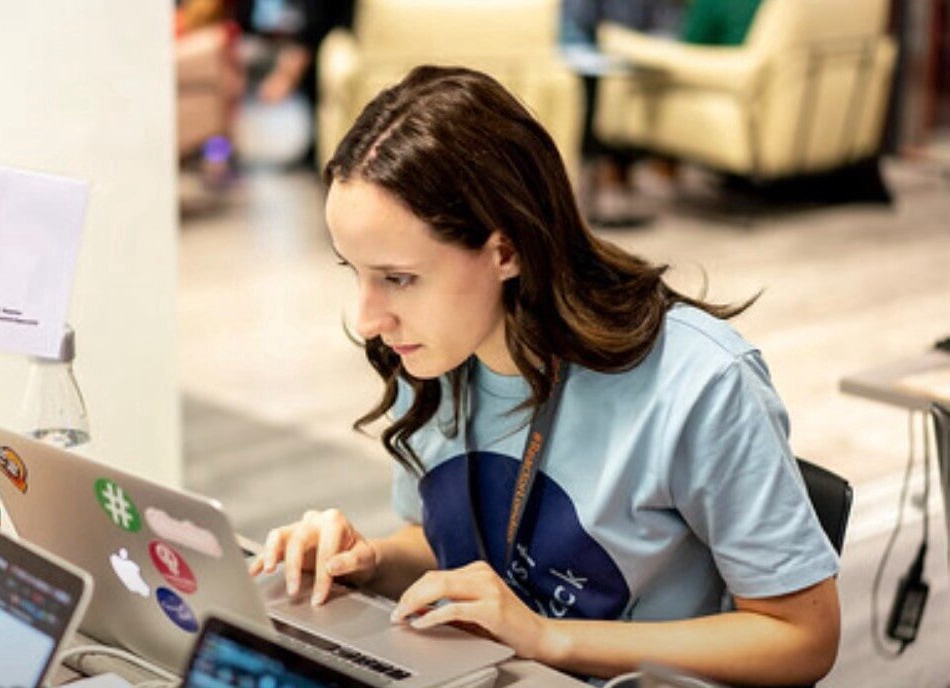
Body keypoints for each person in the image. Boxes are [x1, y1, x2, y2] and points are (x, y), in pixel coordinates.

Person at [248, 66, 840, 685]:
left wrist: (547, 637)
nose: (369, 320)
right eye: (355, 272)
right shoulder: (429, 351)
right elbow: (462, 548)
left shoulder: (700, 383)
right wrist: (367, 562)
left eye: (397, 278)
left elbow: (802, 636)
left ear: (506, 252)